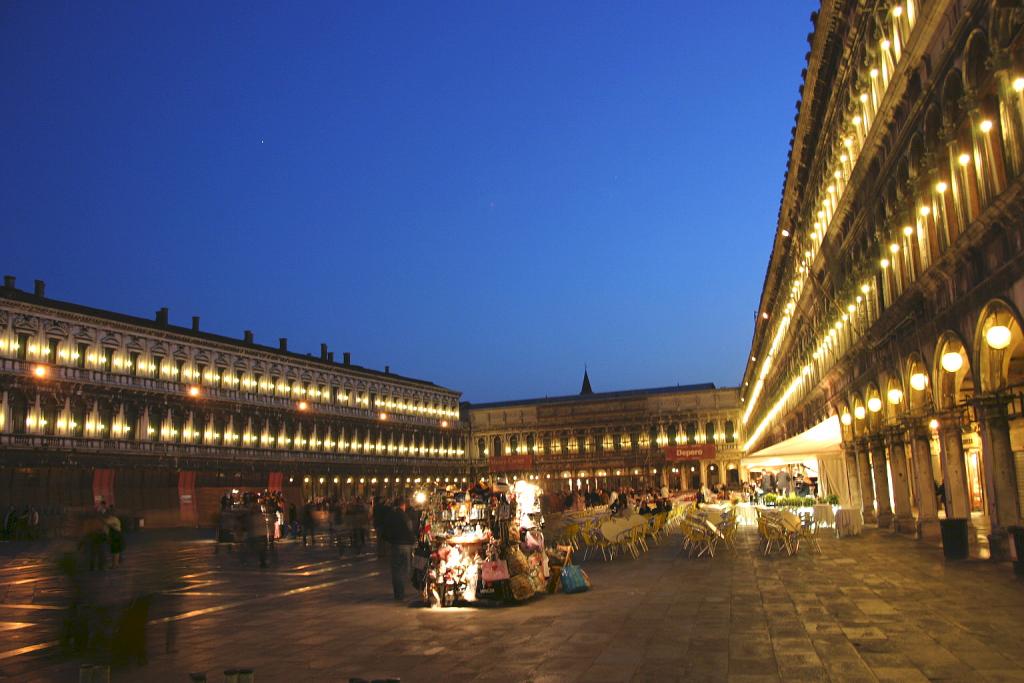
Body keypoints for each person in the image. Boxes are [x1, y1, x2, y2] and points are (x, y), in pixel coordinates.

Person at [380, 498, 417, 602]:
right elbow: (410, 530)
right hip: (405, 545)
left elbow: (385, 530)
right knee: (405, 570)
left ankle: (398, 594)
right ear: (403, 505)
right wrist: (413, 541)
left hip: (395, 545)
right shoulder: (405, 516)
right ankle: (401, 592)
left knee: (396, 570)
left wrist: (390, 540)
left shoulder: (390, 516)